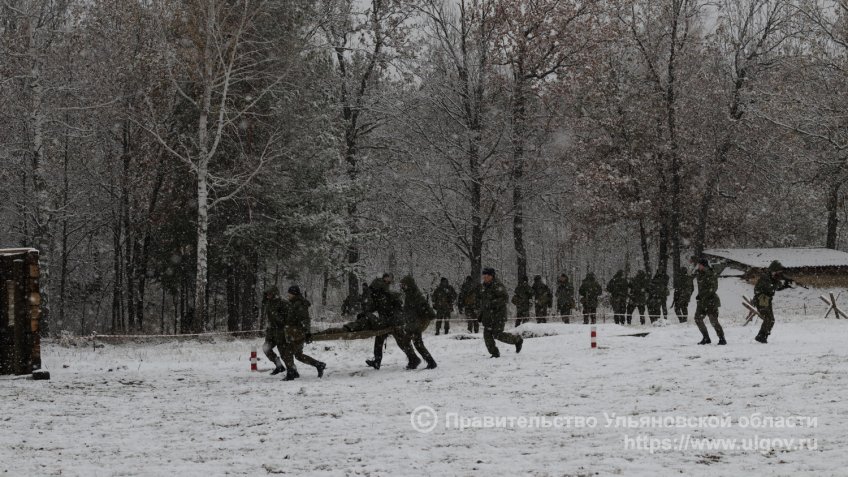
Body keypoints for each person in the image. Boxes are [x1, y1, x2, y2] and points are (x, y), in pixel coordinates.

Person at [364, 274, 420, 370]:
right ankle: (377, 361)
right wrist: (367, 312)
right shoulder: (379, 295)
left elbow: (395, 305)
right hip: (387, 321)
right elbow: (375, 307)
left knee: (402, 341)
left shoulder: (386, 293)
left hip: (394, 321)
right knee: (380, 340)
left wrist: (393, 318)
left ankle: (413, 358)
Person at [281, 286, 326, 380]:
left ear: (294, 294)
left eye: (289, 293)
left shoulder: (299, 304)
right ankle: (318, 364)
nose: (288, 295)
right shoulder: (294, 303)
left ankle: (291, 374)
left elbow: (305, 319)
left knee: (287, 352)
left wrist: (307, 332)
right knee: (298, 355)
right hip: (294, 332)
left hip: (297, 332)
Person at [479, 268, 523, 358]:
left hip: (498, 316)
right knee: (487, 335)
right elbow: (484, 303)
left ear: (491, 276)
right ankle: (495, 353)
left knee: (498, 334)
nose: (484, 277)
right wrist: (481, 314)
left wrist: (492, 304)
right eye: (483, 275)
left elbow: (504, 299)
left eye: (486, 275)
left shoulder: (497, 285)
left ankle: (517, 340)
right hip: (488, 316)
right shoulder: (484, 287)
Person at [400, 275, 438, 369]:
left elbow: (423, 306)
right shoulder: (409, 294)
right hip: (412, 322)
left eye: (404, 285)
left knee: (412, 342)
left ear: (409, 284)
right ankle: (417, 360)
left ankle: (424, 362)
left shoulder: (415, 294)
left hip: (416, 323)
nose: (402, 287)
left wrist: (428, 315)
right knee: (411, 342)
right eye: (402, 285)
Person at [753, 261, 792, 344]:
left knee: (772, 320)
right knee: (768, 318)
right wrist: (778, 283)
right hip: (761, 299)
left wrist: (785, 285)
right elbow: (769, 287)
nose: (779, 273)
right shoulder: (765, 277)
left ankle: (764, 336)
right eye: (778, 271)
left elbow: (777, 288)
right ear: (773, 270)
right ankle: (761, 336)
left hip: (767, 300)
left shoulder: (773, 278)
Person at [694, 258, 725, 345]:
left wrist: (704, 295)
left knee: (713, 320)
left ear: (703, 265)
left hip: (711, 301)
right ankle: (706, 337)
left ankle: (722, 338)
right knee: (698, 318)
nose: (698, 266)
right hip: (702, 301)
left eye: (699, 265)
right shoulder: (699, 273)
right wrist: (700, 295)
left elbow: (713, 288)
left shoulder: (710, 273)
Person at [261, 287, 287, 375]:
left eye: (270, 294)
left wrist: (278, 318)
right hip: (271, 331)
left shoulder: (283, 303)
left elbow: (286, 318)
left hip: (280, 331)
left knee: (284, 352)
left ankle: (292, 370)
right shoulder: (269, 302)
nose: (268, 296)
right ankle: (279, 366)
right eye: (267, 294)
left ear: (275, 293)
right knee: (266, 348)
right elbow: (263, 301)